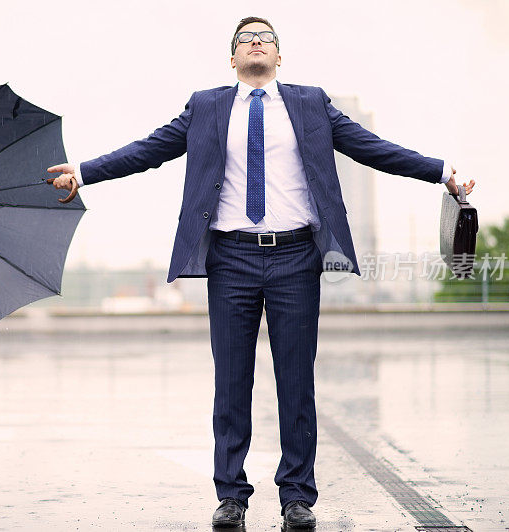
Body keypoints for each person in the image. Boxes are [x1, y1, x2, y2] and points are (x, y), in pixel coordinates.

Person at [47, 16, 475, 530]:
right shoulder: (205, 106)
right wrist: (85, 172)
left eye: (266, 39)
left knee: (297, 382)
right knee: (231, 383)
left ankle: (297, 495)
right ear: (232, 58)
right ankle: (231, 494)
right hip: (231, 258)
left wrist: (440, 170)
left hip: (296, 257)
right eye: (245, 39)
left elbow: (371, 146)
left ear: (279, 56)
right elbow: (149, 149)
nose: (256, 43)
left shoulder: (310, 103)